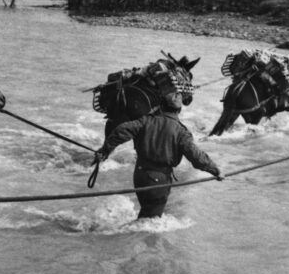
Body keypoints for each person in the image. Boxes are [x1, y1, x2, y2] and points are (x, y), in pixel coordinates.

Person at [93, 93, 221, 219]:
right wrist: (215, 170)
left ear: (161, 106)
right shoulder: (181, 131)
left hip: (139, 174)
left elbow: (121, 130)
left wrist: (105, 151)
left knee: (147, 216)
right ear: (179, 109)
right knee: (149, 222)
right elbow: (196, 157)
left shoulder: (145, 121)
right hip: (158, 179)